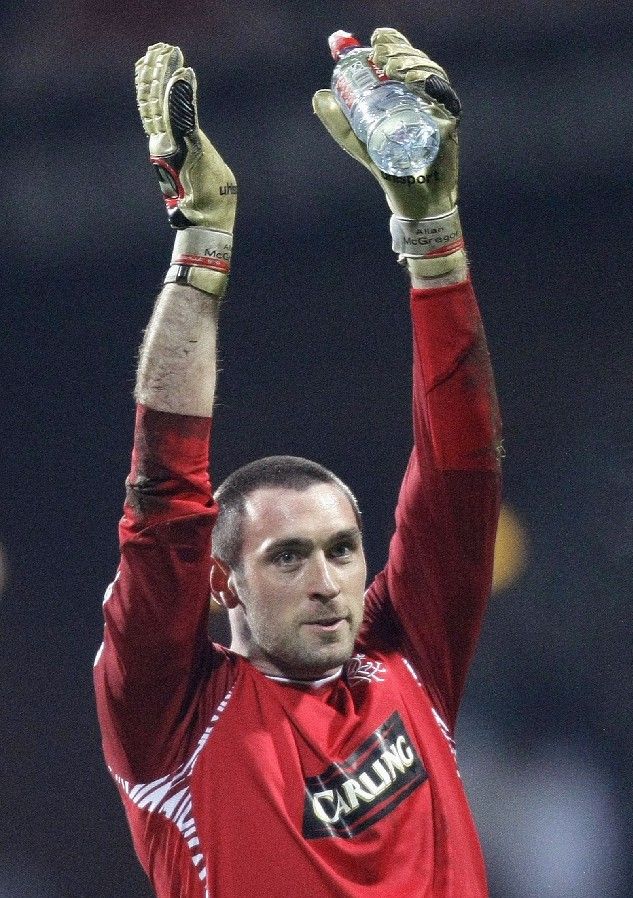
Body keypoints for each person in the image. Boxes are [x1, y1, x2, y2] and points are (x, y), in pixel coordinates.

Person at [94, 28, 502, 898]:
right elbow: (162, 501)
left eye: (343, 549)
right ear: (222, 583)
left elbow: (460, 468)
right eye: (288, 555)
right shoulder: (172, 725)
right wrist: (200, 247)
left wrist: (433, 236)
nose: (328, 580)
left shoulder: (406, 660)